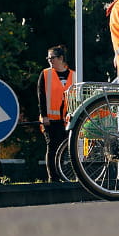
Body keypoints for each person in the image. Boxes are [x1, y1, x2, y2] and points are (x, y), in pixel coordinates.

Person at [37, 45, 76, 182]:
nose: (49, 60)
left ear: (61, 58)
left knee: (65, 149)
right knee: (52, 147)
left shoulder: (74, 75)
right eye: (48, 58)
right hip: (50, 119)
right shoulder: (46, 74)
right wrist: (44, 115)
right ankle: (53, 178)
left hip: (68, 120)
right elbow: (41, 96)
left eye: (52, 58)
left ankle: (64, 176)